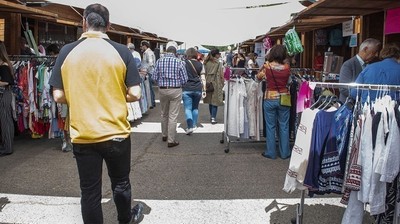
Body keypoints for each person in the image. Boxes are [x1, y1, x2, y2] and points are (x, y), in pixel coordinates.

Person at [48, 4, 143, 224]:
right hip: (115, 131)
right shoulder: (122, 51)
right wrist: (113, 96)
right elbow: (136, 93)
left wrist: (81, 96)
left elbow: (58, 96)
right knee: (120, 183)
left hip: (83, 133)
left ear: (84, 23)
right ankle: (124, 219)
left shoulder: (67, 51)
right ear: (108, 25)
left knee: (89, 191)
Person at [256, 45, 291, 160]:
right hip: (285, 98)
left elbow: (258, 78)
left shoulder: (267, 66)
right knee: (284, 126)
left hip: (270, 98)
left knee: (270, 126)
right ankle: (285, 152)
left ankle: (271, 152)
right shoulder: (287, 67)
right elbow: (289, 82)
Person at [152, 41, 188, 147]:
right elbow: (185, 79)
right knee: (173, 115)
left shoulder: (159, 61)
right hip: (175, 90)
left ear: (166, 50)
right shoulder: (179, 62)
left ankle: (164, 134)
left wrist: (161, 82)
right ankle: (171, 140)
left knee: (164, 113)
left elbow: (154, 77)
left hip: (163, 90)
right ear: (175, 51)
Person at [47, 44, 73, 152]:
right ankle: (69, 142)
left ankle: (66, 142)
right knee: (66, 118)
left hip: (63, 95)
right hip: (69, 95)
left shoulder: (58, 64)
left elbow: (53, 85)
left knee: (63, 118)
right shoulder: (69, 64)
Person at [339, 38, 381, 102]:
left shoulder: (374, 64)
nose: (376, 55)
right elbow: (343, 88)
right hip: (350, 105)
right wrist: (362, 97)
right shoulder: (348, 65)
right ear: (365, 49)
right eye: (374, 52)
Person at [182, 47, 206, 135]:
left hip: (187, 88)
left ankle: (190, 126)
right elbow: (203, 78)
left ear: (187, 54)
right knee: (195, 108)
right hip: (197, 88)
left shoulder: (184, 63)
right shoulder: (200, 64)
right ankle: (195, 125)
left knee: (188, 108)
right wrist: (204, 89)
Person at [0, 41, 15, 157]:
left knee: (5, 121)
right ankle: (5, 146)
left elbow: (8, 81)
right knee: (5, 121)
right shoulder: (4, 64)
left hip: (5, 94)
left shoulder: (4, 66)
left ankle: (7, 148)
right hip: (5, 94)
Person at [203, 49, 224, 124]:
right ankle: (213, 118)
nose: (220, 55)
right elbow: (221, 75)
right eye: (219, 54)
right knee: (215, 101)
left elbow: (203, 73)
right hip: (216, 82)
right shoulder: (219, 63)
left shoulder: (206, 62)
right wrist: (223, 83)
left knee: (210, 100)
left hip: (208, 82)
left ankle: (211, 116)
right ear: (216, 55)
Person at [140, 40, 156, 108]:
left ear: (144, 46)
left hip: (149, 72)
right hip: (149, 72)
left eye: (141, 46)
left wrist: (145, 70)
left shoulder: (148, 53)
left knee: (149, 88)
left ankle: (151, 102)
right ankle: (152, 102)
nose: (141, 48)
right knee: (150, 88)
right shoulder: (147, 52)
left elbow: (150, 63)